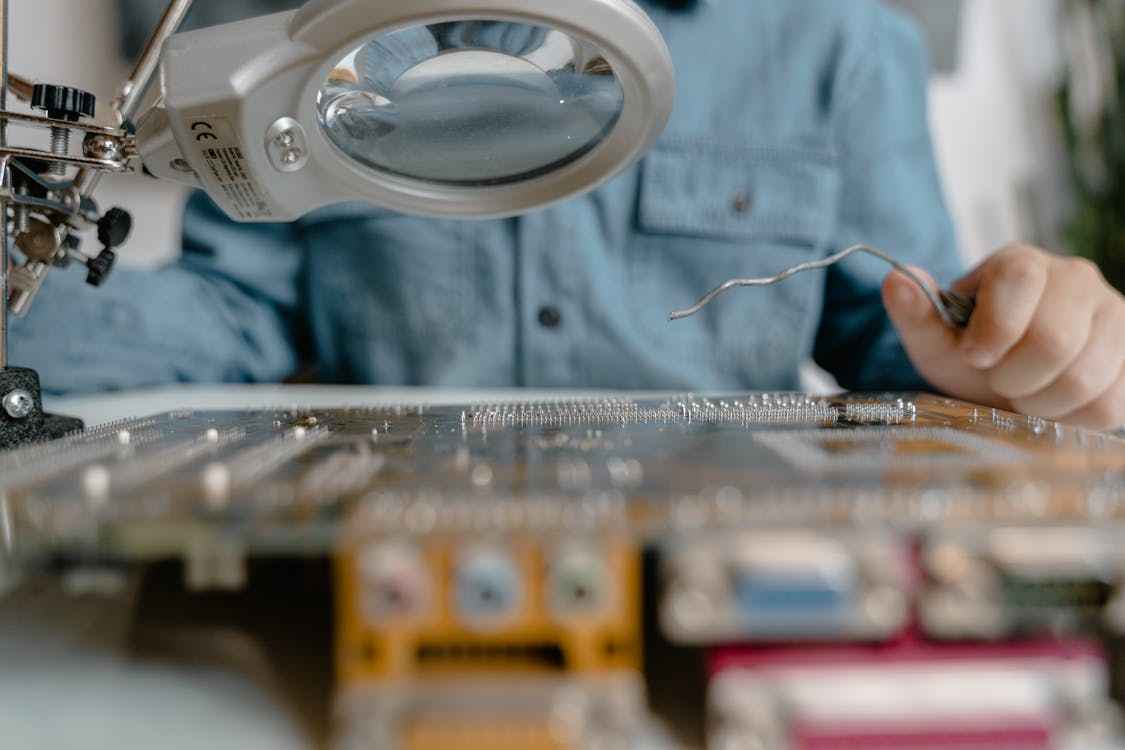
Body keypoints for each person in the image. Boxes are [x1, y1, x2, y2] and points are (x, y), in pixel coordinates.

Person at [11, 0, 1125, 430]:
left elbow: (906, 342)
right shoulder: (321, 40)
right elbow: (229, 311)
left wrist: (1028, 341)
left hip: (725, 564)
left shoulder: (840, 42)